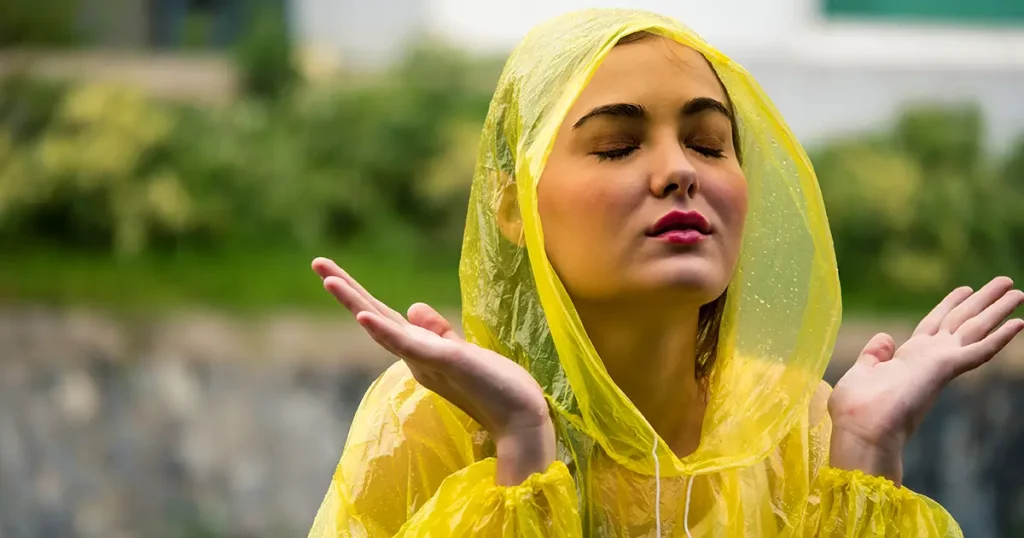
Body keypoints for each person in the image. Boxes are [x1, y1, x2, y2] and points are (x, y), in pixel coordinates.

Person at [305, 9, 1024, 537]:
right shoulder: (437, 417)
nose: (679, 170)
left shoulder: (799, 426)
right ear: (512, 204)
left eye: (710, 144)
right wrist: (522, 450)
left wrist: (866, 453)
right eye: (618, 145)